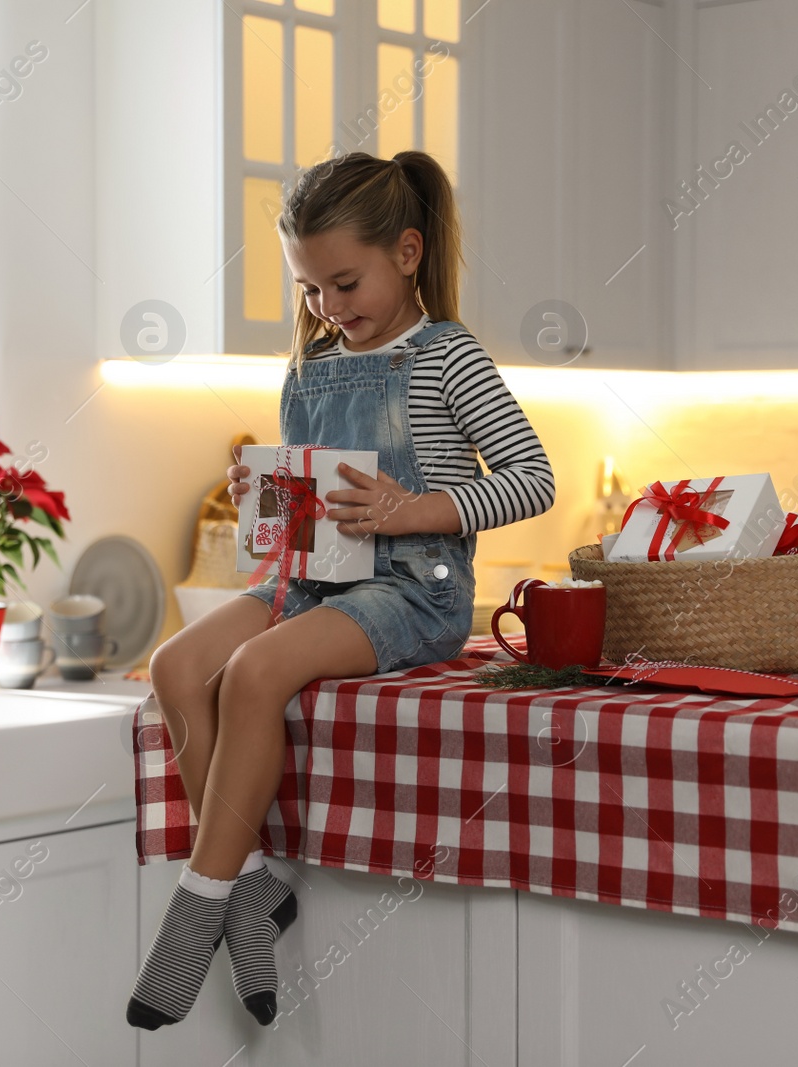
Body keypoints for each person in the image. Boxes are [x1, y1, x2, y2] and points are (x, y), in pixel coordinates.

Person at [126, 150, 555, 1031]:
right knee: (176, 668)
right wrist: (266, 504)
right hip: (310, 581)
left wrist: (417, 508)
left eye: (345, 281)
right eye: (310, 288)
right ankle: (251, 891)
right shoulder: (308, 366)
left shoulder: (448, 356)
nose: (328, 306)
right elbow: (302, 509)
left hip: (411, 591)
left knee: (250, 675)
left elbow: (531, 477)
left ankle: (200, 900)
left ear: (406, 252)